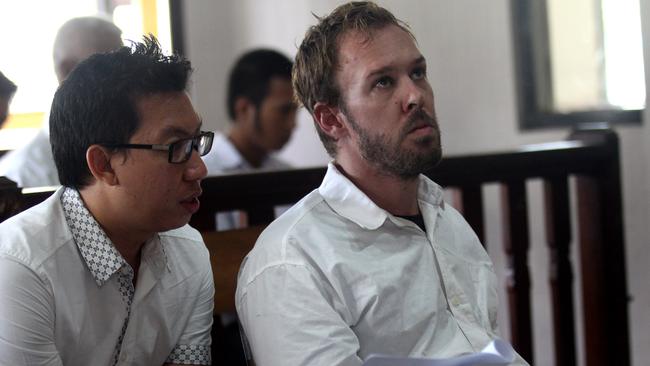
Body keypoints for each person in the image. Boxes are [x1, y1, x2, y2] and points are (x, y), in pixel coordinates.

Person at [235, 2, 529, 365]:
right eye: (383, 82)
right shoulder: (293, 261)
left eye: (418, 73)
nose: (415, 95)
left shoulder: (447, 223)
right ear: (331, 119)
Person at [0, 36, 215, 365]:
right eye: (176, 147)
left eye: (196, 142)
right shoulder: (21, 268)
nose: (198, 168)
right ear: (103, 165)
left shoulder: (189, 252)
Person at [0, 16, 123, 187]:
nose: (123, 80)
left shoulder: (133, 147)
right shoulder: (23, 175)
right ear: (68, 70)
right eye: (108, 68)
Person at [201, 48, 296, 175]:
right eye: (284, 111)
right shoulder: (202, 174)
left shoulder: (286, 175)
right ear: (244, 109)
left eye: (295, 111)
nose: (293, 124)